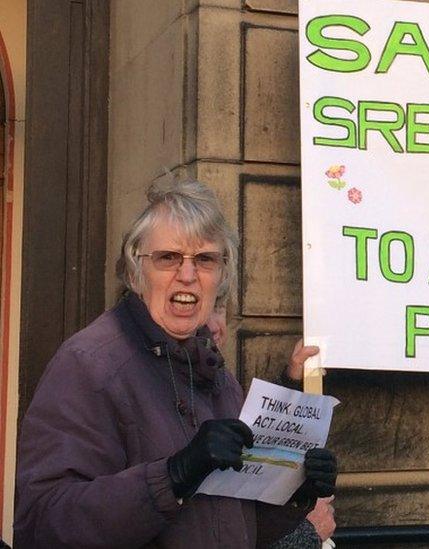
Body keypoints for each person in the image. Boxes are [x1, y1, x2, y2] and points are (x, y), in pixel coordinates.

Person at [15, 180, 338, 548]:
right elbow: (44, 522)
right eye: (168, 257)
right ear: (136, 272)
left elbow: (234, 527)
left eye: (205, 260)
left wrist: (295, 492)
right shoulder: (90, 365)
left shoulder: (214, 373)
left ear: (221, 276)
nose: (187, 275)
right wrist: (173, 476)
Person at [206, 306, 337, 547]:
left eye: (217, 308)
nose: (213, 326)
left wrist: (291, 383)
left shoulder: (224, 382)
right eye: (201, 307)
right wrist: (309, 532)